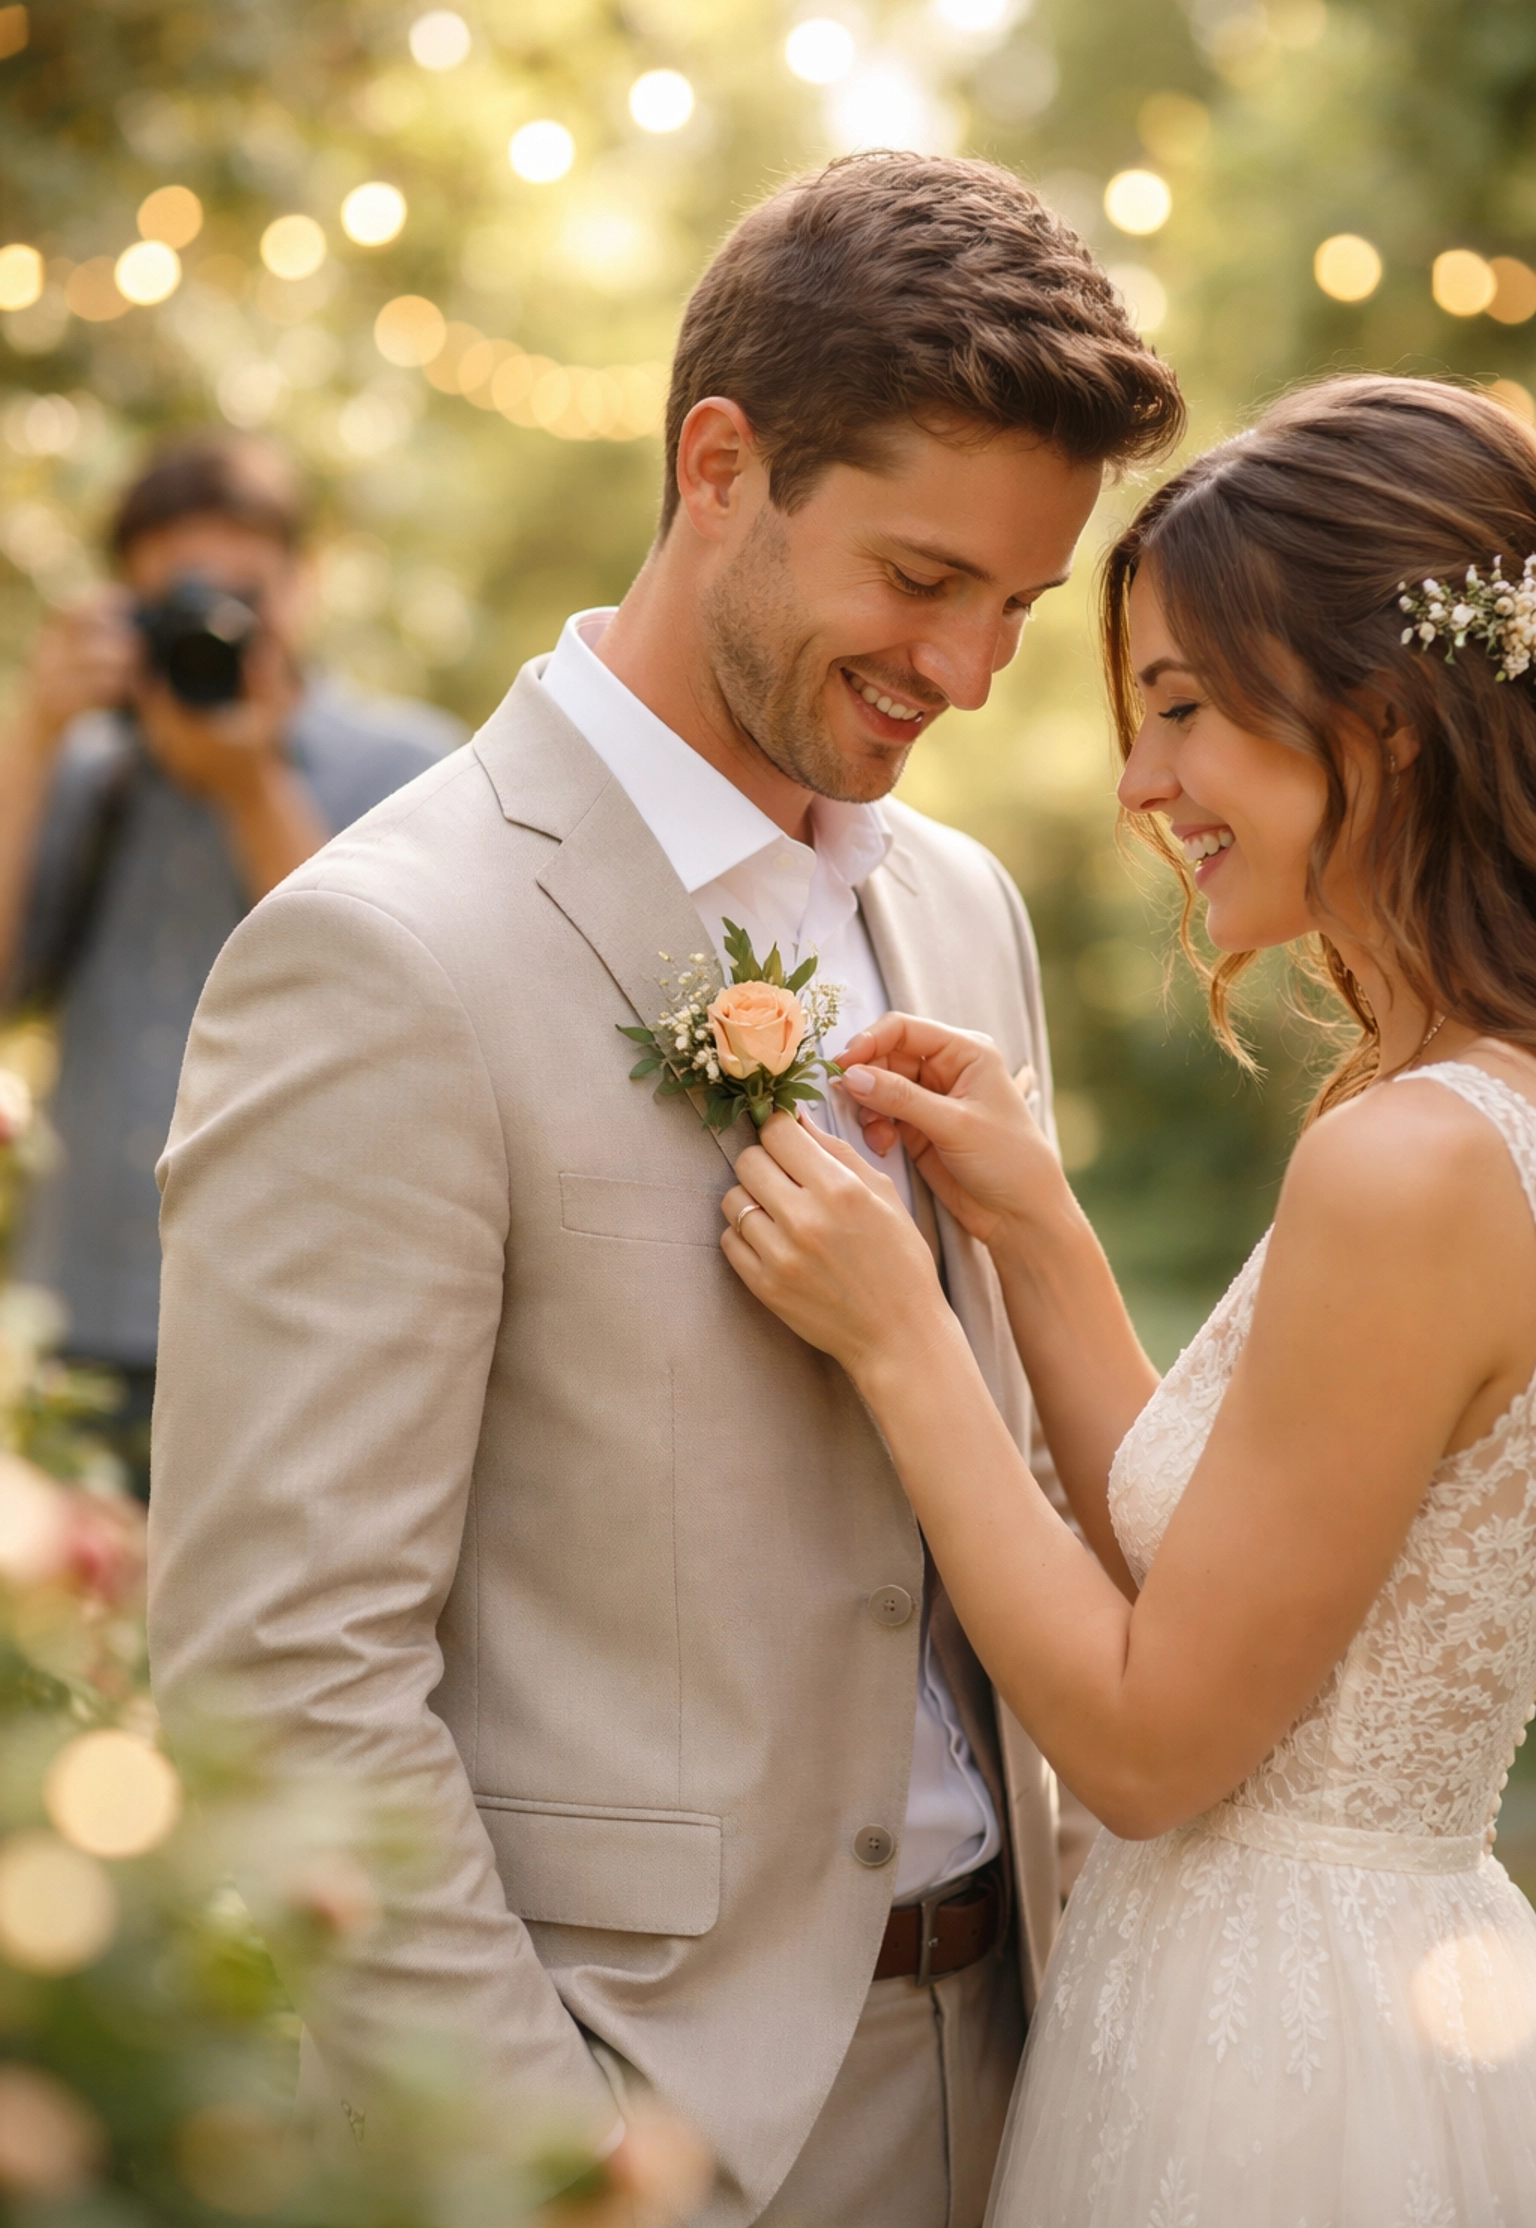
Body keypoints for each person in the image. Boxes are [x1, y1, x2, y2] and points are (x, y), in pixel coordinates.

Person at [147, 152, 1184, 2227]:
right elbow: (285, 1671)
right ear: (723, 462)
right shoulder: (390, 956)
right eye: (919, 580)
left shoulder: (962, 912)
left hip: (1036, 2062)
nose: (971, 672)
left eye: (1018, 607)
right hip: (660, 2120)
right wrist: (560, 2174)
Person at [717, 374, 1536, 2224]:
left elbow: (1158, 1742)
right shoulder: (1473, 1111)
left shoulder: (1408, 1162)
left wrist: (904, 1336)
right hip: (1366, 1986)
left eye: (1179, 710)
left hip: (1286, 2065)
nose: (1139, 784)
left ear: (1385, 726)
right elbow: (1238, 1572)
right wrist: (1036, 1232)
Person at [0, 435, 461, 1496]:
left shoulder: (411, 768)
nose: (218, 626)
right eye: (181, 602)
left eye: (243, 593)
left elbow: (393, 1006)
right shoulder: (93, 770)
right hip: (82, 1310)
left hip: (300, 1327)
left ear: (303, 585)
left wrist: (250, 787)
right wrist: (34, 732)